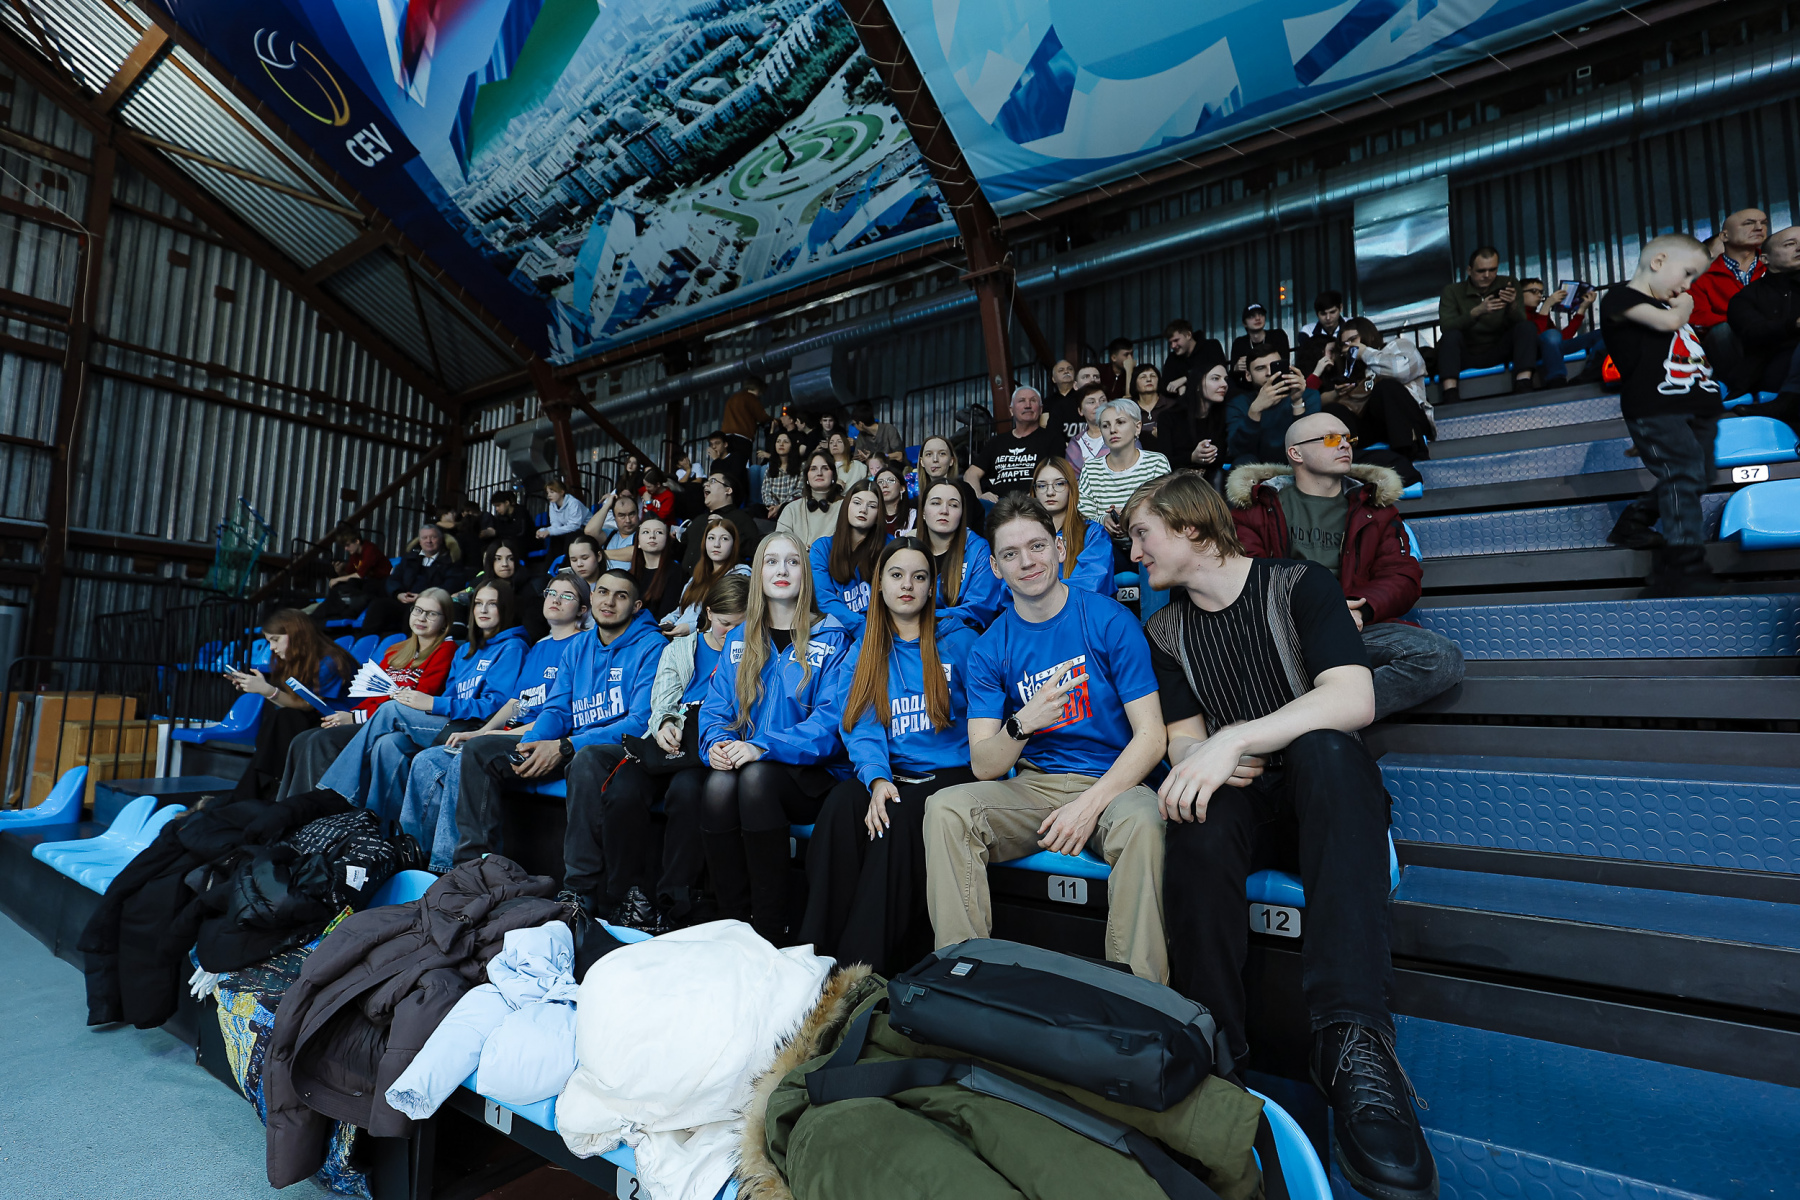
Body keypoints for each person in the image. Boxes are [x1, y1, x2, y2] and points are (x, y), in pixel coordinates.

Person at [1126, 472, 1435, 1200]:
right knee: (1196, 813)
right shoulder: (1164, 631)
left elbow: (1351, 698)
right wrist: (1205, 756)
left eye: (1143, 534)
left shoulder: (1300, 586)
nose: (1134, 552)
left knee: (1326, 749)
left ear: (1191, 527)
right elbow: (1184, 740)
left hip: (1323, 800)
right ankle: (1217, 1055)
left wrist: (1233, 739)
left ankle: (1352, 1041)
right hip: (1251, 805)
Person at [923, 495, 1169, 981]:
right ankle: (963, 980)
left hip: (1116, 784)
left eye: (1037, 546)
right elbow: (985, 765)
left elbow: (1151, 737)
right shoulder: (990, 647)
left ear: (1059, 549)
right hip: (1036, 787)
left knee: (1144, 821)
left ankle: (1139, 996)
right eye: (1010, 554)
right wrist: (1023, 722)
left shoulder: (1108, 619)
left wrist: (1088, 806)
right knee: (946, 809)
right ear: (995, 567)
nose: (1027, 561)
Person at [800, 539, 978, 973]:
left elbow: (988, 713)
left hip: (949, 773)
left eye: (919, 577)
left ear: (932, 587)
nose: (907, 585)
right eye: (896, 575)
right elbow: (859, 721)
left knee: (892, 821)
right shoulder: (866, 645)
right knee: (841, 805)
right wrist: (877, 777)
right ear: (878, 584)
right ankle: (813, 957)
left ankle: (860, 973)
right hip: (892, 769)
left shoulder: (961, 641)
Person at [1228, 412, 1465, 719]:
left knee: (1441, 657)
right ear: (1296, 453)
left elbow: (1403, 576)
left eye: (1347, 438)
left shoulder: (1376, 508)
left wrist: (1359, 611)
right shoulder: (1256, 507)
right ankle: (1318, 714)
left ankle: (1305, 718)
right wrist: (1307, 614)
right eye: (1330, 439)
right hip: (1281, 630)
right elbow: (1245, 576)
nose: (1344, 445)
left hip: (1353, 627)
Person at [454, 569, 668, 877]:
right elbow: (557, 710)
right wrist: (532, 743)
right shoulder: (578, 646)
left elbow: (639, 723)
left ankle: (580, 886)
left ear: (635, 606)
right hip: (571, 744)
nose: (609, 602)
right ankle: (472, 870)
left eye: (621, 596)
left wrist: (565, 746)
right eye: (603, 592)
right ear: (592, 597)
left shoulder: (652, 646)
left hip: (617, 751)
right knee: (480, 750)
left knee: (585, 759)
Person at [698, 532, 855, 943]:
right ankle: (732, 924)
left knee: (755, 779)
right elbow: (717, 707)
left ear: (806, 573)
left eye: (792, 561)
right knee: (717, 784)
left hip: (814, 775)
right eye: (771, 561)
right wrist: (716, 743)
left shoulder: (832, 637)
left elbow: (830, 725)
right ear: (758, 574)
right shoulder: (739, 638)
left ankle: (771, 927)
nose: (781, 570)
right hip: (754, 764)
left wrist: (760, 747)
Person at [576, 575, 750, 931]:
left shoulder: (752, 653)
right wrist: (665, 724)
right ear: (709, 614)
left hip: (705, 747)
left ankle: (675, 901)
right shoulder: (681, 648)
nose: (730, 632)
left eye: (739, 625)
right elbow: (662, 700)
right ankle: (625, 897)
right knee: (623, 791)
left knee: (687, 793)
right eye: (724, 623)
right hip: (669, 740)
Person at [399, 571, 589, 870]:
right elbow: (516, 703)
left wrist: (494, 737)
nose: (556, 600)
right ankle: (414, 858)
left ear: (582, 609)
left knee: (466, 759)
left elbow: (561, 715)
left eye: (567, 596)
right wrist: (483, 731)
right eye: (551, 593)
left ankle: (450, 868)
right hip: (510, 733)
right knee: (427, 761)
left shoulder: (583, 645)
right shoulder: (540, 646)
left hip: (541, 740)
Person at [318, 581, 528, 824]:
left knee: (391, 709)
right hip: (451, 723)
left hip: (474, 728)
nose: (483, 609)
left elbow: (494, 706)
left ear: (505, 608)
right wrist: (438, 704)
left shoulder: (513, 647)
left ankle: (336, 792)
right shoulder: (465, 651)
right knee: (388, 744)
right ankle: (382, 830)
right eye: (478, 603)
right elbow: (450, 697)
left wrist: (432, 703)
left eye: (492, 604)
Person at [1602, 233, 1726, 594]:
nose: (1687, 286)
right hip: (1656, 408)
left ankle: (1634, 521)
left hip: (1691, 409)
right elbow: (1669, 324)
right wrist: (1685, 305)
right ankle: (1683, 564)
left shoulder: (1667, 307)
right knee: (1684, 473)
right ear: (1658, 262)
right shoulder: (1622, 299)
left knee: (1697, 473)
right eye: (1686, 274)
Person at [276, 589, 457, 798]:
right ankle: (287, 805)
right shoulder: (396, 650)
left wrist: (356, 718)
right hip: (371, 718)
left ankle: (319, 808)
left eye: (431, 613)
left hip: (398, 724)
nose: (422, 618)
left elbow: (416, 700)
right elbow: (373, 694)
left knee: (322, 741)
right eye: (418, 610)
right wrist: (349, 716)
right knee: (302, 740)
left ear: (445, 621)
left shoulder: (447, 650)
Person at [225, 611, 358, 800]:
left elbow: (305, 704)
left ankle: (252, 793)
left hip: (347, 723)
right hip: (322, 719)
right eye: (269, 641)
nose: (272, 648)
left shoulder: (330, 661)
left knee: (286, 718)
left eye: (275, 640)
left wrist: (265, 690)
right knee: (283, 718)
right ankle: (258, 791)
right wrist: (260, 689)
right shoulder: (302, 660)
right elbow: (299, 704)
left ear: (297, 634)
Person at [1313, 329, 1433, 473]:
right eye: (1344, 344)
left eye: (1353, 339)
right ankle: (1346, 460)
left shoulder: (1398, 345)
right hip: (1372, 423)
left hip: (1407, 419)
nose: (1349, 346)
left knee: (1386, 387)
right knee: (1333, 409)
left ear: (1368, 335)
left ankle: (1408, 455)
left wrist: (1365, 353)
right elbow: (1315, 401)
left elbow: (1401, 371)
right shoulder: (1348, 366)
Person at [1436, 247, 1539, 399]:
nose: (1487, 275)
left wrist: (1512, 304)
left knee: (1527, 327)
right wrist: (1476, 312)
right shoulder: (1452, 291)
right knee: (1450, 336)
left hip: (1499, 348)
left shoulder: (1508, 283)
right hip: (1467, 352)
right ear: (1469, 270)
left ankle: (1523, 383)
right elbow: (1446, 327)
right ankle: (1450, 392)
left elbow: (1520, 322)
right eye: (1481, 271)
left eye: (1492, 270)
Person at [1725, 224, 1800, 418]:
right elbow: (1753, 332)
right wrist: (1794, 324)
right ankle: (1790, 400)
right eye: (1790, 244)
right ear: (1765, 259)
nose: (1799, 248)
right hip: (1777, 367)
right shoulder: (1747, 297)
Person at [1076, 398, 1173, 540]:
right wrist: (1104, 520)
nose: (1112, 430)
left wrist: (1130, 516)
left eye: (1120, 422)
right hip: (1105, 544)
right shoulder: (1091, 469)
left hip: (1150, 542)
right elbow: (1082, 517)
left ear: (1137, 427)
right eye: (1105, 426)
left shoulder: (1156, 462)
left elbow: (1166, 510)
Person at [919, 480, 1002, 629]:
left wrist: (923, 617)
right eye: (936, 503)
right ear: (923, 512)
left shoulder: (979, 550)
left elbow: (979, 609)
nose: (944, 510)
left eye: (953, 505)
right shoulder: (908, 549)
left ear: (962, 514)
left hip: (960, 634)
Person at [362, 523, 468, 634]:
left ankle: (410, 643)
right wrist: (398, 594)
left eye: (433, 537)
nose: (429, 541)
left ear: (441, 540)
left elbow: (452, 585)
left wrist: (423, 597)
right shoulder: (410, 558)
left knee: (414, 611)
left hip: (431, 604)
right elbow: (394, 579)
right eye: (424, 538)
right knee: (378, 605)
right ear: (419, 541)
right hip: (405, 600)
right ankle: (367, 640)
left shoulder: (451, 561)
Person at [1031, 457, 1115, 595]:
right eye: (1042, 485)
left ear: (1071, 487)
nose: (1050, 492)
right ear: (1034, 491)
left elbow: (1091, 584)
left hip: (1082, 607)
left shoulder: (1094, 533)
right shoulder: (1024, 536)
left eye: (1059, 484)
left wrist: (1045, 598)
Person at [810, 479, 885, 633]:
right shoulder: (822, 548)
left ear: (879, 514)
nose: (863, 510)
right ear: (846, 507)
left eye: (872, 506)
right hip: (837, 631)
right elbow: (825, 600)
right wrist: (862, 627)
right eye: (857, 503)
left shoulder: (890, 547)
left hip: (880, 628)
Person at [966, 386, 1064, 502]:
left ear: (1041, 409)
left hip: (1034, 503)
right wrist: (979, 497)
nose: (1027, 405)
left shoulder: (1053, 439)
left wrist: (1038, 494)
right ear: (1011, 410)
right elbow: (971, 474)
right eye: (1021, 401)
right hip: (998, 505)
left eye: (1033, 400)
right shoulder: (997, 442)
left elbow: (1058, 474)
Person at [1227, 349, 1319, 465]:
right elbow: (1237, 451)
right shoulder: (1239, 403)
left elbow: (1310, 445)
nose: (1269, 373)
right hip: (1257, 469)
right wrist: (1255, 411)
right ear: (1248, 376)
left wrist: (1297, 402)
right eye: (1260, 368)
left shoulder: (1308, 395)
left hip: (1297, 465)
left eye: (1274, 365)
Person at [667, 515, 752, 638]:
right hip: (680, 637)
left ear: (734, 544)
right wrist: (668, 621)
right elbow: (683, 610)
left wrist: (692, 628)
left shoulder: (740, 575)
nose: (716, 544)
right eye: (711, 538)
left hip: (709, 641)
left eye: (724, 539)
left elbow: (728, 620)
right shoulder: (698, 575)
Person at [1692, 207, 1769, 333]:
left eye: (1764, 223)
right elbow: (1699, 316)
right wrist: (1745, 323)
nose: (1759, 228)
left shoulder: (1777, 265)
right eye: (1749, 223)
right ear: (1724, 236)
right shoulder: (1702, 276)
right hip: (1731, 336)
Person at [1521, 278, 1602, 387]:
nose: (1539, 295)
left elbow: (1562, 338)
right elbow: (1538, 337)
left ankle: (1590, 372)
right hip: (1534, 352)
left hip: (1552, 349)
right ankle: (1556, 380)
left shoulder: (1540, 315)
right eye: (1534, 291)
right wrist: (1547, 305)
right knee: (1551, 334)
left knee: (1603, 333)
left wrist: (1582, 309)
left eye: (1541, 292)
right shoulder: (1517, 315)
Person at [680, 471, 761, 574]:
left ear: (728, 490)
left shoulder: (741, 518)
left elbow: (754, 550)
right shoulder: (699, 519)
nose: (705, 484)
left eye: (713, 481)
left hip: (721, 580)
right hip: (688, 581)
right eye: (706, 481)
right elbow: (681, 550)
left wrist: (726, 530)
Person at [1131, 362, 1198, 468]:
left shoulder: (1173, 406)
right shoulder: (1130, 409)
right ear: (1134, 383)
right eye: (1143, 377)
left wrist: (1165, 435)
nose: (1149, 379)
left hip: (1170, 462)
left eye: (1153, 376)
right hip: (1138, 462)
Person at [773, 450, 843, 548]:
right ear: (807, 477)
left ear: (833, 476)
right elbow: (779, 543)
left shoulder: (844, 507)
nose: (819, 473)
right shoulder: (791, 509)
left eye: (825, 468)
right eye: (813, 469)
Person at [320, 529, 389, 619]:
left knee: (358, 585)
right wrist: (339, 572)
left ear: (357, 541)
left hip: (382, 582)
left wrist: (337, 579)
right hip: (368, 582)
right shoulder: (354, 555)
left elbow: (359, 576)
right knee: (343, 586)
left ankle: (347, 613)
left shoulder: (370, 549)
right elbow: (349, 575)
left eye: (348, 545)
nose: (346, 549)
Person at [1158, 319, 1227, 400]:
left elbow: (1218, 372)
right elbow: (1164, 385)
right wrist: (1180, 387)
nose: (1173, 346)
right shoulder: (1172, 358)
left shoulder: (1211, 346)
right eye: (1170, 343)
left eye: (1176, 340)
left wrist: (1185, 379)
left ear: (1188, 335)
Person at [630, 515, 680, 622]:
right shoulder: (630, 574)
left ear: (667, 540)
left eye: (659, 532)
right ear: (638, 543)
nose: (652, 536)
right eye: (646, 532)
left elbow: (666, 615)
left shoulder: (676, 572)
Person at [1229, 303, 1291, 386]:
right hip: (1249, 388)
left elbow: (1284, 362)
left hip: (1278, 383)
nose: (1257, 318)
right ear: (1244, 323)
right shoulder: (1239, 343)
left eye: (1261, 314)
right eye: (1251, 316)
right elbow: (1232, 376)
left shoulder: (1278, 335)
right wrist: (1236, 368)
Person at [537, 477, 587, 559]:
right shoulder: (552, 504)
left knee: (569, 536)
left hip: (584, 529)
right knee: (555, 537)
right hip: (569, 529)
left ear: (562, 492)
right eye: (548, 493)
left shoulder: (573, 503)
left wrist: (549, 531)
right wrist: (543, 530)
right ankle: (552, 565)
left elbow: (574, 526)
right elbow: (555, 525)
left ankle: (566, 562)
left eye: (552, 492)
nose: (549, 495)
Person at [1064, 382, 1109, 473]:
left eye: (1102, 400)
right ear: (1080, 411)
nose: (1098, 405)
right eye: (1091, 402)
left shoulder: (1122, 434)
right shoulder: (1076, 443)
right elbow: (1072, 476)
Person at [761, 430, 806, 518]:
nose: (781, 444)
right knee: (755, 508)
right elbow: (766, 492)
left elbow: (799, 492)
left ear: (792, 445)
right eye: (778, 441)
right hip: (772, 510)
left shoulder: (801, 466)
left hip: (792, 509)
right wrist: (772, 507)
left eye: (785, 442)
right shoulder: (770, 469)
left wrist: (780, 507)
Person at [1042, 359, 1086, 442]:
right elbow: (1044, 426)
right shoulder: (1048, 401)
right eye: (1061, 370)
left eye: (1070, 369)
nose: (1066, 371)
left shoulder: (1083, 397)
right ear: (1053, 379)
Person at [706, 430, 753, 506]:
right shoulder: (715, 463)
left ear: (725, 444)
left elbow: (733, 479)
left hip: (734, 496)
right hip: (718, 496)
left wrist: (717, 460)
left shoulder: (736, 457)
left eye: (717, 443)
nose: (713, 447)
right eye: (711, 444)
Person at [479, 491, 532, 556]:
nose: (497, 509)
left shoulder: (521, 512)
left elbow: (520, 531)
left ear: (507, 503)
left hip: (524, 544)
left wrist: (496, 532)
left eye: (498, 505)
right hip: (508, 543)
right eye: (495, 506)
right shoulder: (500, 517)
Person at [907, 434, 958, 499]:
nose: (935, 459)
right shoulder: (913, 499)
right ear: (921, 462)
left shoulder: (964, 490)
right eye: (929, 454)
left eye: (942, 453)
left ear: (951, 461)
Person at [872, 461, 915, 537]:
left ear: (902, 488)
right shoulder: (871, 515)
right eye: (880, 482)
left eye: (891, 480)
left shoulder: (914, 515)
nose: (884, 485)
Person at [722, 377, 770, 445]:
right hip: (742, 436)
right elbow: (762, 417)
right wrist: (776, 420)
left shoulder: (733, 398)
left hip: (726, 436)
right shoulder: (751, 399)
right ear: (759, 389)